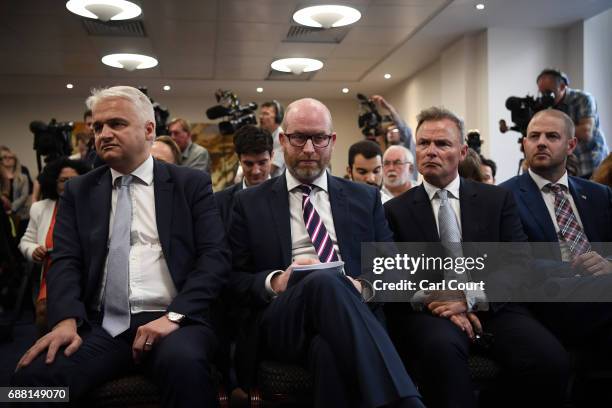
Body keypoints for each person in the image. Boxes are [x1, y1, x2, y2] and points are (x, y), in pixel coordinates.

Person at [12, 86, 230, 408]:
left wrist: (174, 316)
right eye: (98, 127)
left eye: (117, 124)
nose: (104, 134)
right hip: (104, 326)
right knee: (27, 384)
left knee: (184, 368)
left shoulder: (189, 184)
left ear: (149, 130)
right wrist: (65, 320)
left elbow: (215, 258)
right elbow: (66, 260)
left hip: (174, 321)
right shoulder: (78, 190)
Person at [229, 98, 424, 408]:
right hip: (282, 320)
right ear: (282, 140)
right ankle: (405, 402)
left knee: (327, 352)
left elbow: (392, 271)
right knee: (322, 280)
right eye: (299, 138)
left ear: (332, 141)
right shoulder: (249, 203)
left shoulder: (365, 198)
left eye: (319, 138)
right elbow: (233, 281)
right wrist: (276, 281)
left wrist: (362, 286)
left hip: (347, 314)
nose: (309, 149)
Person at [384, 106, 569, 408]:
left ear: (462, 151)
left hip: (495, 306)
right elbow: (391, 274)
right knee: (441, 353)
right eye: (423, 143)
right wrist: (444, 303)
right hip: (430, 314)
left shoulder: (495, 199)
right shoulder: (393, 211)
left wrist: (469, 297)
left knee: (550, 360)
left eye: (442, 144)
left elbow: (519, 265)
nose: (431, 151)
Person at [19, 158, 89, 333]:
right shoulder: (39, 208)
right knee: (44, 315)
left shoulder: (94, 207)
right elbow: (25, 241)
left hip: (86, 272)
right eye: (64, 180)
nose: (69, 184)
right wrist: (33, 250)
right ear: (54, 183)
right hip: (51, 271)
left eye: (74, 179)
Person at [536, 68, 609, 178]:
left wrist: (553, 129)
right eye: (542, 93)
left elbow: (586, 132)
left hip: (592, 162)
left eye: (549, 92)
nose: (545, 97)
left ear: (562, 87)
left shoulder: (583, 99)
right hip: (571, 167)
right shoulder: (549, 106)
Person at [215, 125, 273, 231]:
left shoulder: (288, 196)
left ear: (272, 157)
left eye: (262, 163)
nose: (256, 171)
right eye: (249, 164)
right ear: (239, 160)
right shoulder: (221, 201)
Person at [0, 146, 30, 239]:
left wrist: (12, 208)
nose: (8, 159)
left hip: (21, 214)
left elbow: (24, 196)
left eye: (11, 157)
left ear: (15, 160)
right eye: (5, 157)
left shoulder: (23, 177)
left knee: (21, 239)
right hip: (2, 213)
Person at [259, 100, 285, 177]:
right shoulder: (264, 135)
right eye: (261, 114)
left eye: (266, 114)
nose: (261, 117)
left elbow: (270, 169)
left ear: (278, 118)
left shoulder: (281, 138)